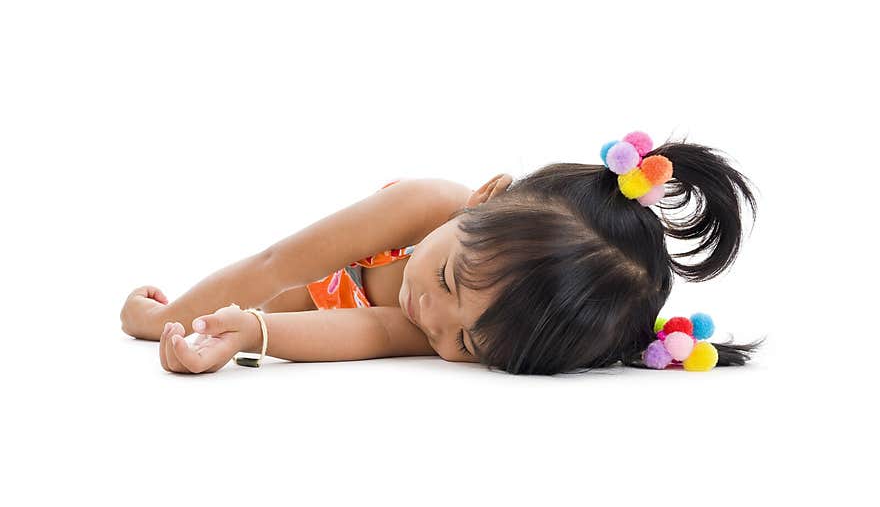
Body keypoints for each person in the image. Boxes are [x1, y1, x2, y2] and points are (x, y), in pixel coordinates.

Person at [120, 130, 759, 375]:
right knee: (269, 285)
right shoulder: (422, 206)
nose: (431, 316)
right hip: (305, 274)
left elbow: (371, 328)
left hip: (320, 313)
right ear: (483, 199)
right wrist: (164, 319)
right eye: (449, 278)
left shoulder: (483, 319)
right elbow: (276, 266)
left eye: (468, 344)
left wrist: (251, 333)